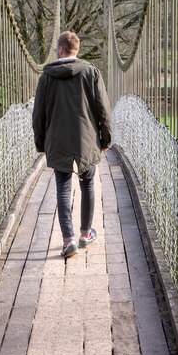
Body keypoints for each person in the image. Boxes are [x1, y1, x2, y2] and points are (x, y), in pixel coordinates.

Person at [32, 31, 112, 258]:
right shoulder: (91, 72)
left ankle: (69, 241)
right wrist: (105, 139)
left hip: (57, 140)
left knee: (63, 188)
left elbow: (38, 115)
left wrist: (41, 143)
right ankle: (85, 235)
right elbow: (103, 110)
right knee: (87, 184)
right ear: (76, 50)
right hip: (87, 140)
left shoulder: (46, 77)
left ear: (59, 49)